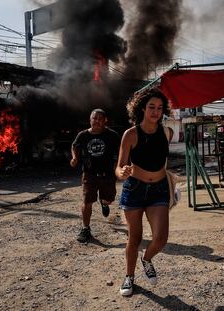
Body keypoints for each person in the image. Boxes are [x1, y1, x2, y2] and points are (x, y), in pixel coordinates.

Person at [115, 88, 173, 296]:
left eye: (159, 108)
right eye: (151, 107)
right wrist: (123, 171)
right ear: (142, 108)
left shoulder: (167, 132)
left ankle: (146, 259)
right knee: (135, 238)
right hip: (135, 189)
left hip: (159, 190)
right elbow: (119, 166)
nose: (156, 112)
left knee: (161, 238)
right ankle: (129, 277)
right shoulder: (130, 134)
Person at [70, 108, 120, 243]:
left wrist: (117, 165)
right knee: (87, 201)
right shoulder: (83, 135)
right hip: (89, 174)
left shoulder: (113, 135)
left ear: (105, 121)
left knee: (107, 199)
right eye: (94, 118)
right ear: (90, 120)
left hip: (108, 174)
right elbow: (75, 145)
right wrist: (75, 157)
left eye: (100, 119)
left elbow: (120, 151)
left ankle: (104, 203)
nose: (97, 121)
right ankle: (85, 228)